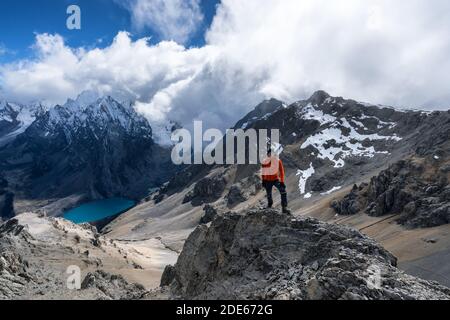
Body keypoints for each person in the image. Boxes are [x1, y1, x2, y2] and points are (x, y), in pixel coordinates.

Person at [261, 149, 291, 214]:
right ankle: (269, 205)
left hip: (276, 179)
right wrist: (263, 180)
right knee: (269, 194)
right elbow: (263, 172)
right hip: (267, 180)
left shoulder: (278, 161)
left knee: (283, 191)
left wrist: (282, 181)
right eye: (269, 154)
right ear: (267, 155)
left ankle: (284, 208)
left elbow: (282, 171)